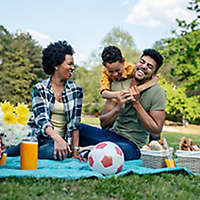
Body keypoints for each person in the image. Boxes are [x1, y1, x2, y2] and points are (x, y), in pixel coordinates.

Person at [79, 48, 166, 161]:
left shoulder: (158, 92)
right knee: (77, 128)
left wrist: (136, 104)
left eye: (150, 67)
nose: (144, 66)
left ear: (154, 74)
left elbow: (156, 131)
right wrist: (118, 108)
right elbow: (104, 124)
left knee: (121, 151)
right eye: (142, 62)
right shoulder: (117, 84)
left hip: (132, 144)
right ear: (137, 63)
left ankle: (89, 151)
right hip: (109, 135)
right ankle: (91, 150)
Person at [7, 41, 85, 161]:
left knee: (56, 153)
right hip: (35, 136)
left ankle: (29, 154)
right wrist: (57, 138)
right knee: (7, 150)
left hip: (56, 143)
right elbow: (41, 119)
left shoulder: (76, 90)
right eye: (69, 64)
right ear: (56, 65)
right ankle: (26, 152)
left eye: (73, 65)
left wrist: (75, 152)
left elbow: (75, 124)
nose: (72, 68)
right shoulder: (39, 88)